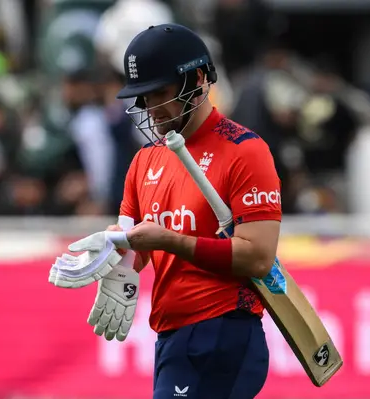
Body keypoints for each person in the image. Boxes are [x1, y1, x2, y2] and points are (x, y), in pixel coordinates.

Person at [90, 24, 281, 398]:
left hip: (223, 331)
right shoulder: (145, 160)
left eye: (159, 93)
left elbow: (258, 257)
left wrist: (171, 241)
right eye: (142, 98)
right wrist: (115, 256)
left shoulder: (244, 150)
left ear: (196, 79)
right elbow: (139, 249)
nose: (150, 110)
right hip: (170, 336)